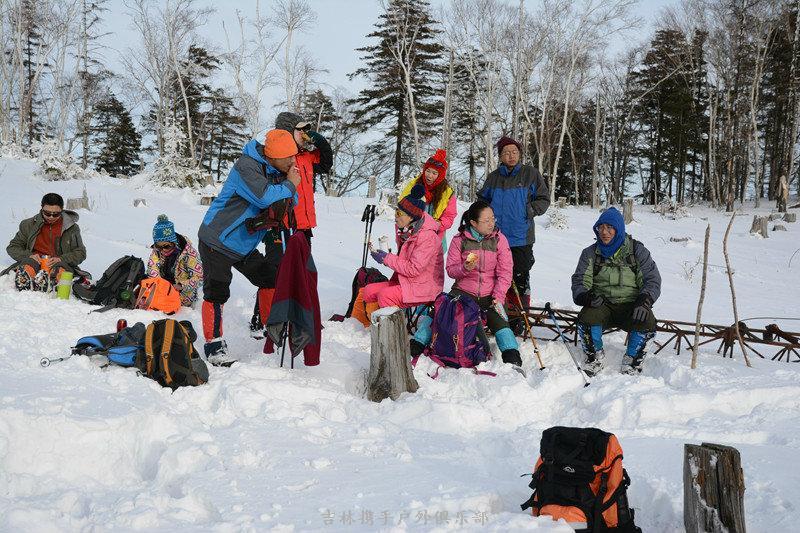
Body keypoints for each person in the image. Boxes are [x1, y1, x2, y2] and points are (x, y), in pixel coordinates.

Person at [197, 129, 301, 365]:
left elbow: (290, 201)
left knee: (270, 278)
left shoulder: (275, 170)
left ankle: (271, 331)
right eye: (289, 158)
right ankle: (214, 345)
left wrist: (289, 186)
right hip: (218, 240)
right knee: (217, 291)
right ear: (273, 155)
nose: (293, 161)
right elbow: (264, 197)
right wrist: (289, 185)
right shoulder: (247, 167)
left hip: (244, 243)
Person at [425, 200, 522, 366]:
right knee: (442, 314)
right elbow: (451, 270)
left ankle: (511, 355)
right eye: (486, 221)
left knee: (500, 321)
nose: (491, 223)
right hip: (463, 292)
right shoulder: (459, 240)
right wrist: (465, 268)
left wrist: (498, 296)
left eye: (493, 219)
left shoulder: (499, 240)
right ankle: (418, 342)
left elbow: (505, 273)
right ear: (473, 223)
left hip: (491, 293)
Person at [570, 207, 661, 374]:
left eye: (610, 227)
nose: (604, 232)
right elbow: (580, 281)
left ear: (618, 229)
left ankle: (633, 360)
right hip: (602, 305)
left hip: (632, 306)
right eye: (601, 227)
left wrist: (645, 300)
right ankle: (594, 357)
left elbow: (651, 279)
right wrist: (585, 297)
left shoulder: (637, 251)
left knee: (647, 321)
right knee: (586, 318)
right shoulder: (590, 253)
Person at [478, 136, 550, 333]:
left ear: (519, 154)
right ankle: (497, 316)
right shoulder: (493, 178)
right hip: (495, 237)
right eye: (506, 152)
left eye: (514, 152)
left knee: (519, 277)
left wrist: (529, 210)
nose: (511, 156)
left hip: (521, 237)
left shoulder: (530, 174)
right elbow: (482, 202)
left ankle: (519, 318)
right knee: (496, 277)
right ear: (500, 156)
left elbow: (544, 199)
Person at [362, 184, 444, 317]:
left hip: (425, 286)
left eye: (399, 213)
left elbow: (413, 269)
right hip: (406, 281)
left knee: (386, 296)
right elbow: (404, 261)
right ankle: (369, 328)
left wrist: (386, 258)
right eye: (396, 211)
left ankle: (389, 334)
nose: (395, 216)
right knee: (369, 291)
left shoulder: (427, 237)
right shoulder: (407, 231)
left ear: (411, 217)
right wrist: (384, 256)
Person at [6, 192, 86, 292]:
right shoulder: (28, 225)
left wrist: (61, 258)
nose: (51, 217)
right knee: (28, 266)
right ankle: (24, 281)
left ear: (62, 210)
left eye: (56, 214)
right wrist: (29, 255)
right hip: (34, 261)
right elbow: (13, 247)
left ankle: (51, 283)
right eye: (47, 213)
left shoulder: (71, 228)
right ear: (41, 208)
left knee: (59, 270)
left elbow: (80, 253)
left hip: (59, 264)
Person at [274, 111, 333, 243]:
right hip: (281, 228)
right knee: (277, 263)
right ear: (288, 132)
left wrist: (320, 141)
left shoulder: (306, 157)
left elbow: (325, 164)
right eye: (299, 129)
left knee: (303, 264)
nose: (303, 133)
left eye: (305, 130)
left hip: (304, 227)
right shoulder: (277, 158)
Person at [397, 149, 456, 242]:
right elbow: (402, 205)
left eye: (434, 173)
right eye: (428, 171)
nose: (430, 176)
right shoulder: (414, 184)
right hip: (411, 233)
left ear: (440, 175)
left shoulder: (447, 193)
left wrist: (437, 224)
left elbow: (449, 216)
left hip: (434, 236)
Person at [146, 215, 203, 308]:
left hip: (183, 295)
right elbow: (152, 271)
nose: (163, 250)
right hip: (163, 292)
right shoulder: (157, 251)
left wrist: (181, 286)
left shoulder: (188, 253)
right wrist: (160, 287)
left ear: (174, 242)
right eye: (159, 246)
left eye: (166, 246)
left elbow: (200, 277)